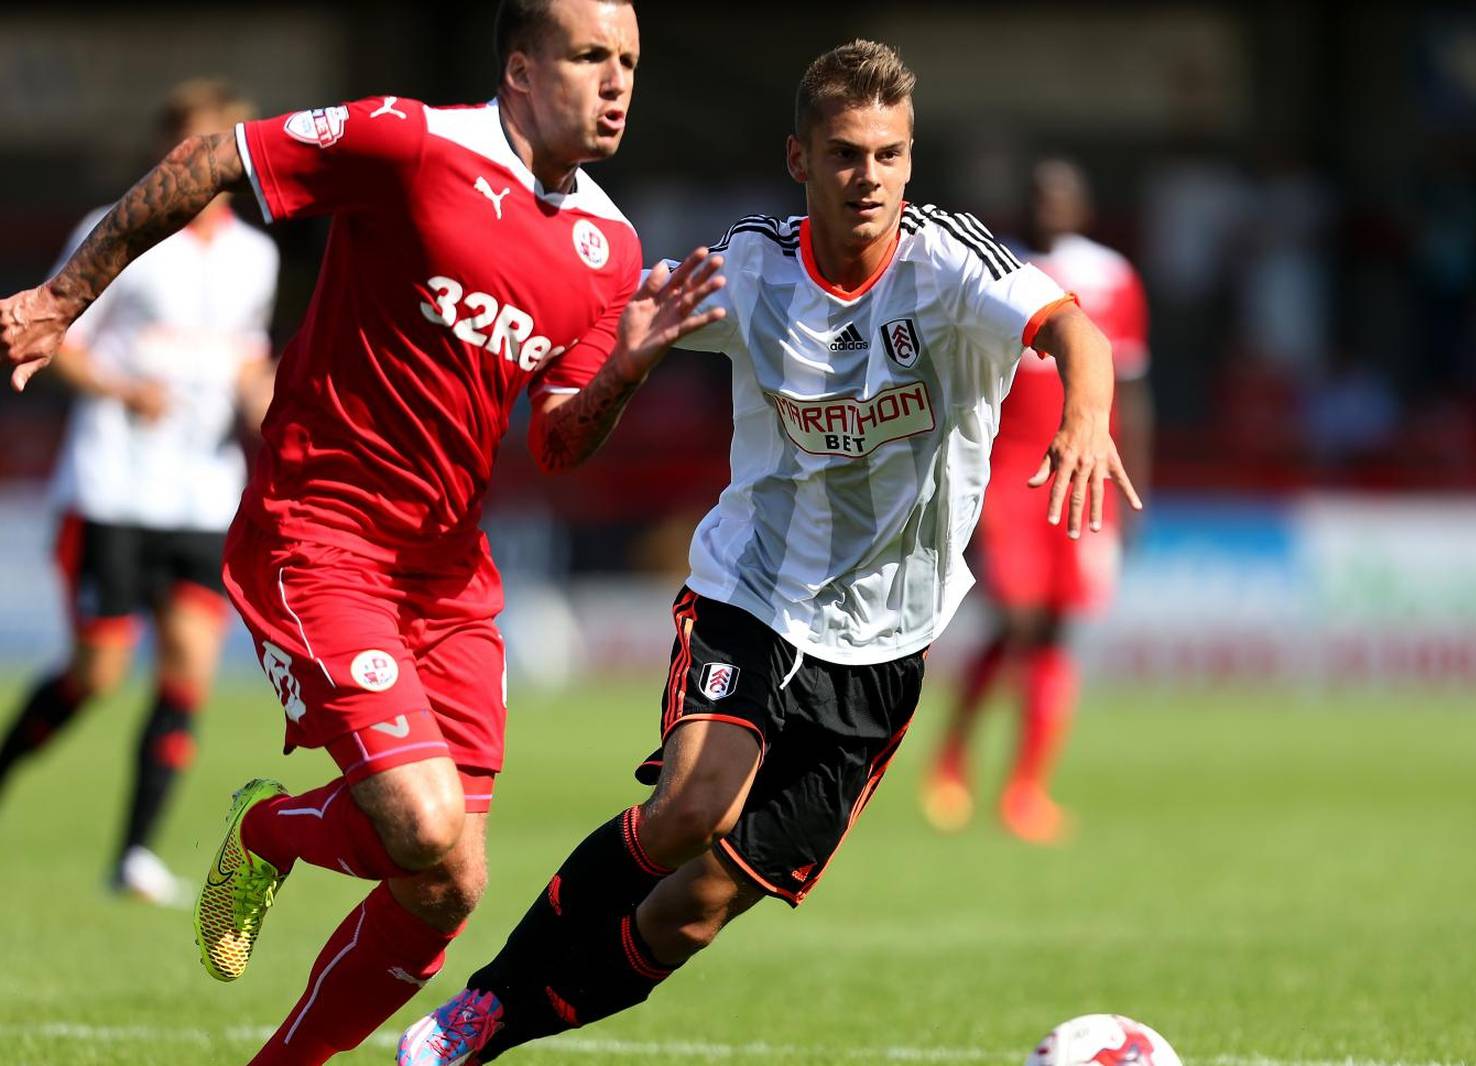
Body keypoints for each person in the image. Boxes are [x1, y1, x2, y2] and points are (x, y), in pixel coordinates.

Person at [0, 1, 724, 1062]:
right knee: (423, 828)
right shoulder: (413, 142)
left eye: (628, 61)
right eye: (588, 56)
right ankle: (265, 829)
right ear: (521, 70)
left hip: (450, 575)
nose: (616, 81)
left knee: (449, 885)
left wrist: (622, 366)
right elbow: (215, 158)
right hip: (320, 533)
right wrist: (63, 300)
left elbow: (561, 444)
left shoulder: (607, 246)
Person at [397, 40, 1140, 1065]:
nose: (866, 176)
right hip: (753, 593)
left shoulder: (954, 264)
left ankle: (503, 1025)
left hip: (886, 644)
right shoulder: (748, 266)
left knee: (687, 914)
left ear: (910, 161)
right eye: (843, 153)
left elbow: (1076, 335)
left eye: (887, 154)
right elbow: (594, 313)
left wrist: (1085, 419)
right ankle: (483, 1001)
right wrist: (606, 357)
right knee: (687, 810)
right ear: (800, 160)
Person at [0, 79, 278, 905]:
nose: (189, 162)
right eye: (181, 145)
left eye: (206, 148)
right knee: (100, 673)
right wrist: (125, 392)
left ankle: (133, 855)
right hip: (115, 485)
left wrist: (272, 422)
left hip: (203, 495)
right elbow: (59, 338)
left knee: (189, 667)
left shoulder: (252, 257)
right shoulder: (109, 232)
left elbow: (246, 365)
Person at [922, 159, 1154, 844]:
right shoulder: (997, 272)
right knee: (1016, 619)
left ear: (1083, 208)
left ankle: (1026, 789)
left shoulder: (1113, 278)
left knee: (1056, 628)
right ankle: (954, 755)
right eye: (1036, 195)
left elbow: (1132, 386)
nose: (1047, 206)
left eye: (1060, 197)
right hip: (1009, 468)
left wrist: (1136, 483)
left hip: (1085, 467)